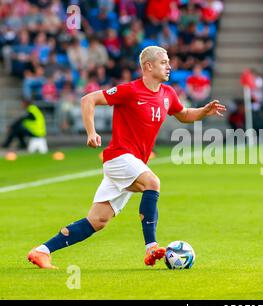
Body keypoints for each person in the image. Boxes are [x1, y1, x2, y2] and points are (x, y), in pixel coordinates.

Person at [27, 46, 226, 269]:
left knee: (97, 221)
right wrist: (91, 132)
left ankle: (41, 251)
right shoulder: (130, 91)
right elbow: (88, 100)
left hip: (133, 162)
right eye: (163, 62)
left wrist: (203, 111)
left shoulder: (168, 94)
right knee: (153, 183)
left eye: (168, 61)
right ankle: (151, 247)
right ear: (148, 66)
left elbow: (184, 114)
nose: (169, 66)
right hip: (119, 156)